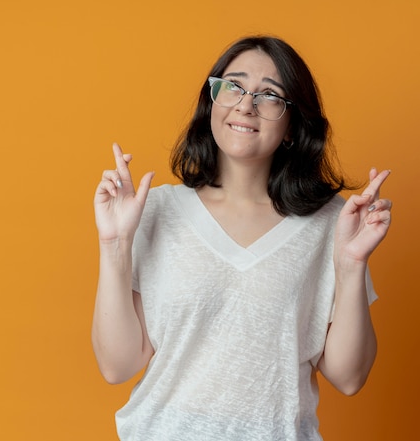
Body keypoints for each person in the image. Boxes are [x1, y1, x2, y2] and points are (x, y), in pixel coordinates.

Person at [92, 35, 392, 440]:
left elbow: (349, 376)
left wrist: (352, 263)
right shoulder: (156, 211)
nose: (245, 104)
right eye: (233, 86)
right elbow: (118, 365)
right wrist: (114, 245)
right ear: (212, 101)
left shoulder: (332, 222)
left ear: (291, 126)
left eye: (270, 95)